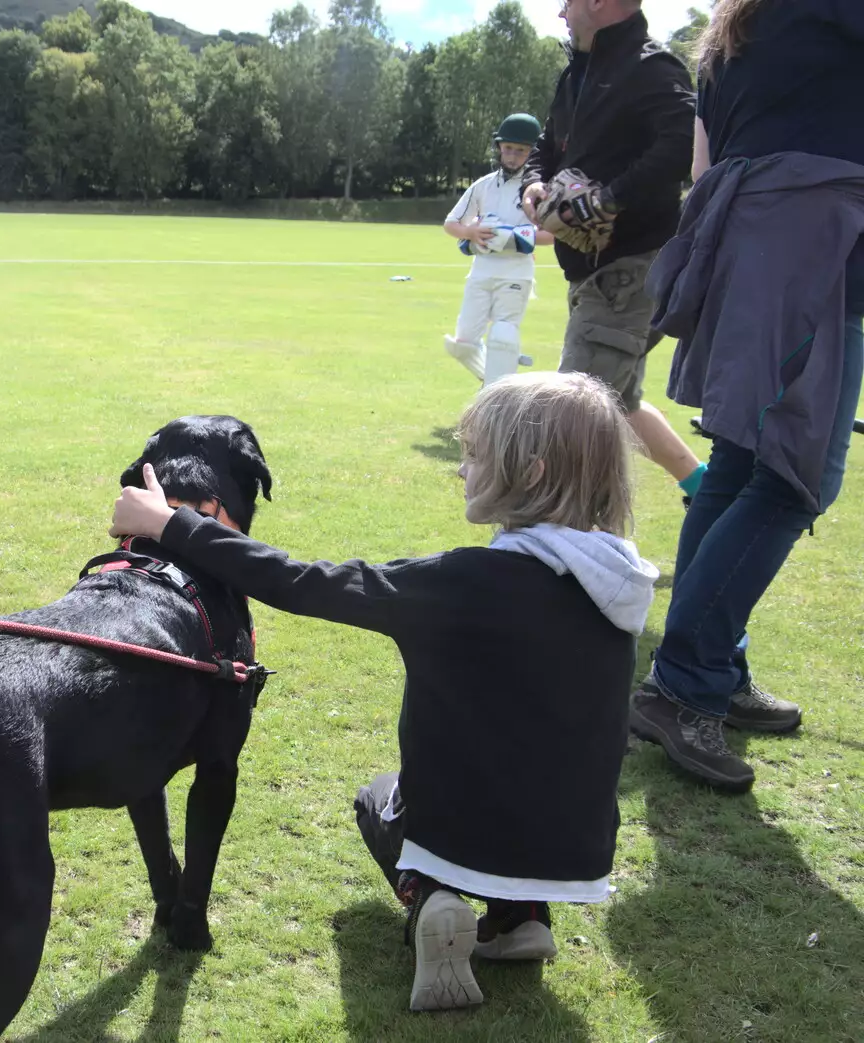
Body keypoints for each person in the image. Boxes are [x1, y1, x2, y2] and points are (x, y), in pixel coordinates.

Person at [109, 372, 656, 1012]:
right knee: (520, 770)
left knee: (378, 799)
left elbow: (301, 583)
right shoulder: (615, 584)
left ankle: (430, 895)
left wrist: (172, 524)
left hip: (469, 833)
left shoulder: (464, 582)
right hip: (577, 845)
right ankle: (521, 918)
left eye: (474, 456)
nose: (461, 471)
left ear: (530, 474)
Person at [630, 0, 864, 792]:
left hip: (758, 241)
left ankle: (712, 673)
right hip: (807, 243)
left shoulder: (735, 31)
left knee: (740, 461)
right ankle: (685, 681)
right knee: (797, 479)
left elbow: (706, 165)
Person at [521, 0, 708, 503]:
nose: (561, 14)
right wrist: (535, 185)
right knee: (618, 401)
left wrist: (607, 198)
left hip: (631, 268)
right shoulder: (577, 74)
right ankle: (705, 488)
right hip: (592, 270)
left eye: (567, 3)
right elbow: (546, 143)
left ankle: (548, 553)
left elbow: (677, 149)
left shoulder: (653, 68)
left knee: (571, 417)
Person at [442, 113, 554, 386]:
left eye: (520, 150)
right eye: (508, 149)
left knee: (503, 336)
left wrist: (513, 238)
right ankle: (496, 382)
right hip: (481, 273)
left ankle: (495, 401)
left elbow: (552, 234)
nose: (513, 156)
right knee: (463, 343)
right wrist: (472, 232)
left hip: (516, 274)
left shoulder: (539, 190)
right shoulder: (484, 185)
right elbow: (451, 224)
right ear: (499, 148)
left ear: (532, 152)